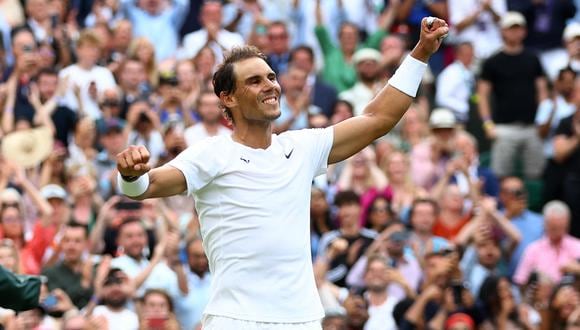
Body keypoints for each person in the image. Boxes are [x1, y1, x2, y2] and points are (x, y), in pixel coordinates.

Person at [116, 17, 449, 329]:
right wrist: (131, 175)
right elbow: (149, 185)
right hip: (235, 319)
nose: (270, 86)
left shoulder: (301, 147)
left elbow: (379, 119)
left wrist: (420, 53)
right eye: (255, 80)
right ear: (227, 97)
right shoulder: (213, 152)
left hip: (302, 320)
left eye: (272, 77)